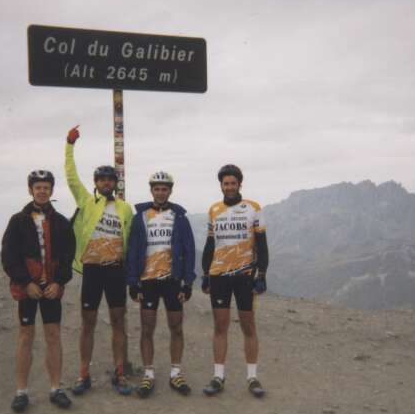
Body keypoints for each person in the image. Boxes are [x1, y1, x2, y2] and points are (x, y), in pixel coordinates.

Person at [65, 125, 135, 396]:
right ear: (95, 183)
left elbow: (129, 240)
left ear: (115, 183)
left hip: (116, 270)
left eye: (110, 180)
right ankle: (84, 374)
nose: (106, 183)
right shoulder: (86, 201)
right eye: (101, 180)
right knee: (88, 323)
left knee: (119, 322)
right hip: (93, 271)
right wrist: (69, 145)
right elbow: (71, 178)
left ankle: (120, 373)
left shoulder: (124, 208)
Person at [1, 170, 76, 413]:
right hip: (28, 288)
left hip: (51, 288)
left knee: (53, 335)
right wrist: (25, 283)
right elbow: (9, 256)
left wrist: (59, 282)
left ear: (52, 191)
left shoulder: (62, 222)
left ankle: (56, 388)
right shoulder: (17, 221)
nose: (42, 191)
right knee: (26, 336)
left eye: (46, 187)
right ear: (30, 190)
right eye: (38, 187)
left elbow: (68, 256)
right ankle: (21, 391)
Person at [201, 164, 269, 398]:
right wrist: (205, 274)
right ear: (221, 185)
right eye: (225, 183)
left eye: (233, 183)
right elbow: (210, 245)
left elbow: (262, 244)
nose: (229, 187)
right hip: (219, 275)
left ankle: (252, 377)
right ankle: (218, 376)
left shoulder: (253, 208)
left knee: (248, 326)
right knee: (220, 326)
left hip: (244, 275)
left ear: (240, 184)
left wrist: (262, 275)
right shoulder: (214, 210)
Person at [127, 171, 196, 398]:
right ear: (151, 190)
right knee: (147, 328)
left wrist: (188, 282)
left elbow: (188, 250)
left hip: (172, 281)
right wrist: (133, 282)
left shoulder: (180, 217)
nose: (160, 192)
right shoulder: (141, 217)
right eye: (156, 188)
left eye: (164, 188)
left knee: (176, 327)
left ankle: (176, 372)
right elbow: (133, 250)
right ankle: (148, 374)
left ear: (170, 190)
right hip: (147, 281)